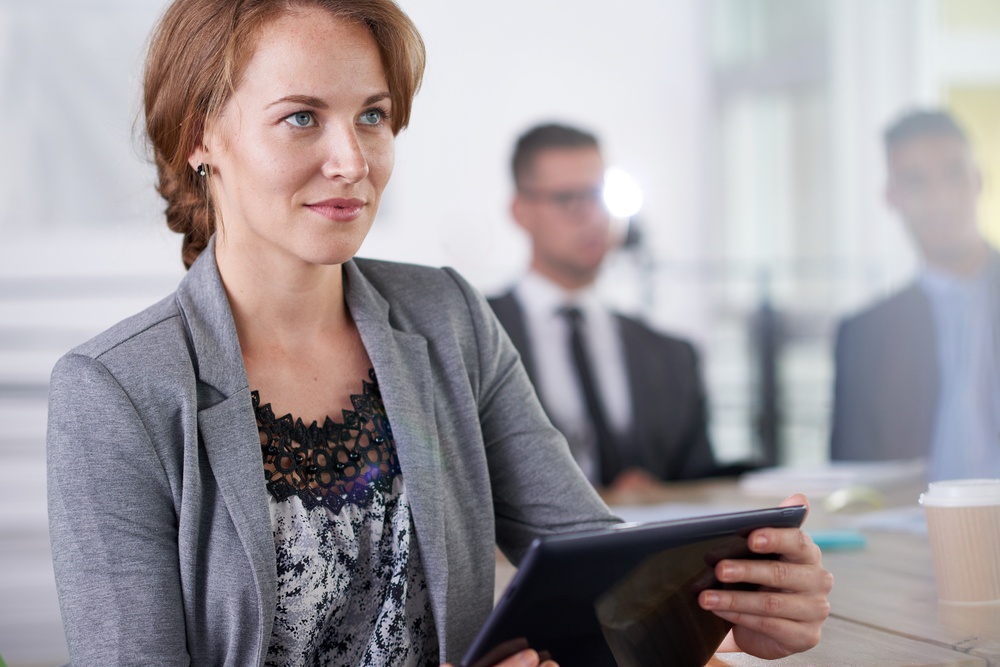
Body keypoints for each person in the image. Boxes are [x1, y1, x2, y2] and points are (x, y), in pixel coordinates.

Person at [46, 1, 831, 665]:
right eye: (300, 118)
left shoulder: (446, 317)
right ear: (200, 135)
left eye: (372, 116)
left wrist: (724, 598)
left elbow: (598, 577)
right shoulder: (116, 393)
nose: (352, 160)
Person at [489, 123, 720, 496]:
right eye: (568, 199)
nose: (593, 215)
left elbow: (701, 484)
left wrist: (658, 495)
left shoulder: (673, 356)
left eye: (600, 195)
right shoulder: (469, 336)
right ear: (521, 211)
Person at [830, 108, 1000, 481]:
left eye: (954, 174)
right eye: (917, 182)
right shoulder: (864, 336)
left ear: (979, 180)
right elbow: (853, 483)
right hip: (913, 531)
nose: (941, 198)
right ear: (892, 197)